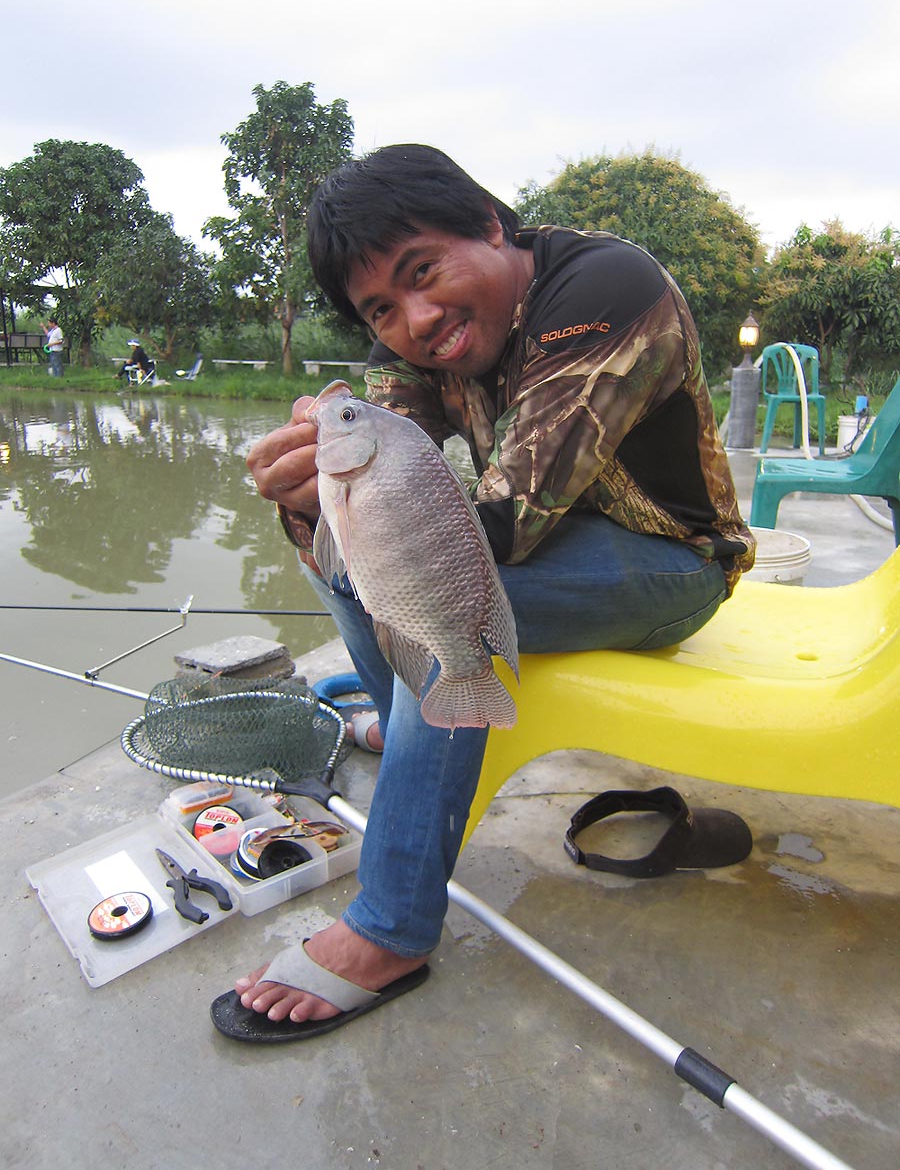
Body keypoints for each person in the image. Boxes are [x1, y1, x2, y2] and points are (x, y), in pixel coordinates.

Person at [224, 144, 755, 1041]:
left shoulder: (606, 289)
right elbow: (380, 485)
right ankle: (407, 719)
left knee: (436, 578)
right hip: (540, 551)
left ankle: (391, 927)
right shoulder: (418, 342)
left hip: (675, 563)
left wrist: (364, 503)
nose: (417, 319)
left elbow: (506, 523)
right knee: (350, 545)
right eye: (382, 309)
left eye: (423, 273)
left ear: (490, 223)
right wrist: (316, 501)